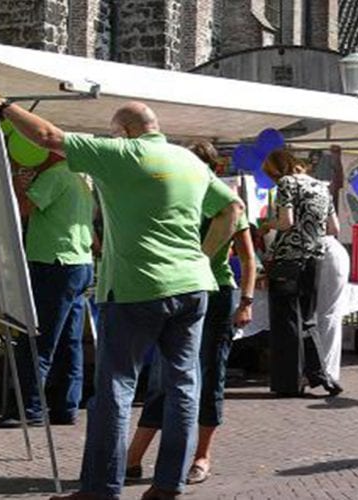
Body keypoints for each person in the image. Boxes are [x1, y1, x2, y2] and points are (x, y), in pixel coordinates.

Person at [0, 96, 243, 500]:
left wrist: (2, 105)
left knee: (115, 389)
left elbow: (46, 136)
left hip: (135, 289)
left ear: (123, 131)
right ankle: (168, 485)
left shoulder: (121, 153)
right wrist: (203, 254)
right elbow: (232, 207)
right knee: (183, 386)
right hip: (193, 288)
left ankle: (100, 488)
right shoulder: (189, 161)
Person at [125, 141, 257, 485]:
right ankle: (134, 456)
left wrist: (246, 301)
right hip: (177, 290)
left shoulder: (226, 202)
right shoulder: (175, 195)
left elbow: (248, 259)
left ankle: (201, 455)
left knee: (210, 374)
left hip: (215, 295)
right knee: (162, 375)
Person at [0, 144, 94, 428]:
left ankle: (28, 409)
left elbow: (22, 210)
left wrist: (16, 187)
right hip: (78, 262)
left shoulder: (55, 175)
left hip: (54, 263)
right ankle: (65, 406)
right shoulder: (79, 175)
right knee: (68, 342)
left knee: (37, 339)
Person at [262, 149, 341, 397]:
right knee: (307, 319)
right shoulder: (321, 186)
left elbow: (285, 222)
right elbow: (334, 228)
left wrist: (267, 224)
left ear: (277, 170)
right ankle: (321, 374)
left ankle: (289, 382)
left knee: (286, 321)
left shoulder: (286, 183)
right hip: (314, 259)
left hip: (288, 259)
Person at [314, 235, 350, 382]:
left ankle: (323, 371)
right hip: (332, 251)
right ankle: (327, 371)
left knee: (325, 316)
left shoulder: (288, 212)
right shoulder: (326, 211)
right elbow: (334, 228)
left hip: (320, 252)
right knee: (331, 316)